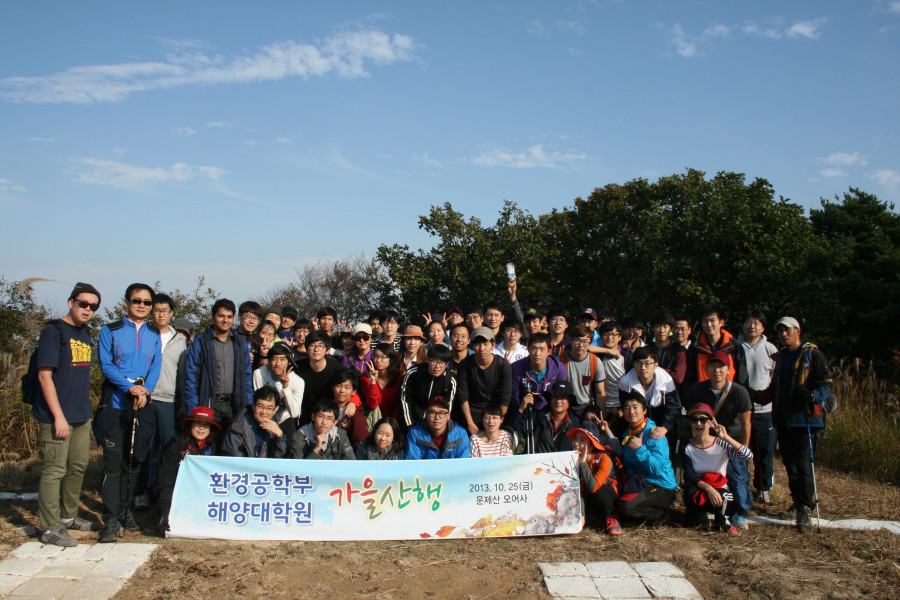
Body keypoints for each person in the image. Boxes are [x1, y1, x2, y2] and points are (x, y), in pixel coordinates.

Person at [32, 282, 101, 547]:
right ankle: (49, 528)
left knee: (77, 466)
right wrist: (58, 416)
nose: (88, 309)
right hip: (56, 417)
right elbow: (44, 375)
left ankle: (68, 516)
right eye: (83, 304)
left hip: (80, 414)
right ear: (71, 302)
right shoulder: (54, 331)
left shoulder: (84, 332)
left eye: (93, 306)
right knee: (54, 470)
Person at [96, 283, 162, 543]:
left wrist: (146, 390)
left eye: (147, 302)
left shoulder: (153, 333)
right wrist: (129, 387)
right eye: (137, 301)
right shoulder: (110, 330)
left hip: (142, 403)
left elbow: (155, 365)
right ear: (126, 302)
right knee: (113, 463)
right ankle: (111, 516)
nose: (142, 306)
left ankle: (126, 509)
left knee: (135, 461)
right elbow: (106, 365)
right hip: (116, 404)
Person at [764, 316, 833, 533]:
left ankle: (805, 509)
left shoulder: (812, 355)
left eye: (787, 330)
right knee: (790, 465)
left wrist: (813, 396)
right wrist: (753, 396)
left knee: (803, 466)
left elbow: (826, 384)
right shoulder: (782, 358)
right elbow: (774, 389)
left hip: (806, 420)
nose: (783, 334)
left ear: (797, 331)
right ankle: (797, 503)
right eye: (780, 331)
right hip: (784, 420)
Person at [685, 351, 753, 527]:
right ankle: (702, 511)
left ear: (729, 369)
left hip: (730, 442)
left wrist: (743, 447)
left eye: (721, 367)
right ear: (706, 369)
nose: (717, 371)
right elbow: (692, 417)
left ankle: (739, 513)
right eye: (712, 366)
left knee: (737, 480)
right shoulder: (697, 390)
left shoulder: (739, 391)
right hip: (705, 441)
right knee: (703, 478)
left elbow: (746, 423)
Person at [599, 391, 678, 528]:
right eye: (627, 408)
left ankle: (661, 514)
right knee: (617, 506)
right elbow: (628, 463)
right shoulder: (628, 434)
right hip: (641, 482)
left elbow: (657, 468)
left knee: (627, 507)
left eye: (635, 407)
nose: (631, 412)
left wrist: (640, 449)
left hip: (660, 485)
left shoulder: (654, 433)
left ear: (644, 410)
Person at [681, 403, 753, 534]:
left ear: (711, 422)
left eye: (703, 420)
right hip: (699, 487)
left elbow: (747, 455)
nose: (698, 424)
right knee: (687, 492)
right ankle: (697, 517)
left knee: (722, 497)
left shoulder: (720, 443)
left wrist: (726, 437)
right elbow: (689, 473)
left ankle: (722, 521)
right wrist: (708, 488)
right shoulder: (686, 446)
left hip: (720, 488)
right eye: (694, 420)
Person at [184, 299, 254, 434]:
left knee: (233, 443)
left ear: (233, 318)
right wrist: (193, 408)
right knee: (209, 443)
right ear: (213, 317)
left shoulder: (240, 343)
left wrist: (248, 405)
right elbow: (191, 378)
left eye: (229, 317)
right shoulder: (201, 343)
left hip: (234, 404)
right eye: (221, 316)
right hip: (209, 402)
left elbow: (247, 376)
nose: (225, 320)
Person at [733, 310, 778, 505]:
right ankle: (739, 484)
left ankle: (763, 487)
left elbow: (775, 377)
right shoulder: (734, 346)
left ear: (763, 327)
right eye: (748, 322)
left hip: (763, 409)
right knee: (738, 448)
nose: (752, 326)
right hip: (738, 409)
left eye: (756, 323)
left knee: (764, 451)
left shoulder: (770, 349)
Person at [155, 406, 219, 532]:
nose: (201, 428)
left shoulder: (211, 447)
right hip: (176, 492)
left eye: (206, 425)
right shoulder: (174, 446)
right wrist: (164, 512)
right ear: (190, 425)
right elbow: (165, 481)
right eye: (198, 424)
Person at [568, 423, 622, 536]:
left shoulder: (604, 458)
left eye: (582, 440)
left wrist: (583, 464)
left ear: (592, 445)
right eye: (575, 439)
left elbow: (594, 487)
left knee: (601, 488)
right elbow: (579, 490)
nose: (576, 443)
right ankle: (589, 516)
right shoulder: (571, 459)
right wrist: (581, 515)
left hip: (611, 499)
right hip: (590, 499)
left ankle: (612, 517)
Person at [456, 327, 512, 434]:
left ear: (493, 345)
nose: (482, 348)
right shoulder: (464, 365)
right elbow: (463, 396)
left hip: (495, 412)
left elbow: (505, 398)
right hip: (471, 412)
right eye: (477, 344)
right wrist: (470, 423)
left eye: (486, 344)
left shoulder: (503, 365)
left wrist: (498, 422)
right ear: (472, 345)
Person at [508, 332, 567, 423]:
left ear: (549, 351)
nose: (537, 353)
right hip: (524, 411)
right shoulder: (516, 368)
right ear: (528, 349)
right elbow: (514, 401)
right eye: (534, 348)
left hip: (549, 412)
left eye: (542, 349)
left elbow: (561, 396)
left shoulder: (559, 369)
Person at [252, 341, 304, 439]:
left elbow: (294, 413)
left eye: (282, 359)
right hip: (265, 417)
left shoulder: (297, 381)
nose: (278, 363)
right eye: (274, 359)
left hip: (285, 418)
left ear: (289, 362)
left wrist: (286, 387)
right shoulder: (259, 374)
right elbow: (260, 402)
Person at [221, 385, 289, 458]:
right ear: (253, 405)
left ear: (275, 409)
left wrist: (280, 436)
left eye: (269, 408)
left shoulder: (275, 428)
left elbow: (281, 460)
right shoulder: (238, 427)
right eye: (260, 406)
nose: (264, 412)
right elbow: (233, 458)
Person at [399, 344, 457, 429]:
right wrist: (410, 426)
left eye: (441, 362)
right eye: (434, 361)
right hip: (412, 422)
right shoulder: (413, 373)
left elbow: (447, 408)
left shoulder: (450, 380)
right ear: (428, 360)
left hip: (436, 425)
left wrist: (437, 429)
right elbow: (405, 400)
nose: (437, 366)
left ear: (446, 364)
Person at [515, 381, 581, 453]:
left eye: (563, 397)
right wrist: (520, 409)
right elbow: (515, 431)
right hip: (538, 460)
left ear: (570, 401)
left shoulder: (577, 425)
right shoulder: (536, 418)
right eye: (555, 396)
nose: (558, 401)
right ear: (550, 399)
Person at [294, 331, 345, 423]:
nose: (316, 349)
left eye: (320, 346)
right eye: (312, 345)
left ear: (327, 350)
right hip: (305, 416)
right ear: (306, 349)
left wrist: (353, 403)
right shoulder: (297, 368)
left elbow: (351, 386)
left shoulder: (337, 369)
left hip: (328, 417)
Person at [560, 325, 606, 419]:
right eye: (577, 340)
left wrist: (601, 416)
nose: (581, 345)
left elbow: (600, 392)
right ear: (571, 340)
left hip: (587, 407)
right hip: (566, 407)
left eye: (585, 341)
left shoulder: (595, 362)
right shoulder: (560, 360)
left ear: (590, 343)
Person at [406, 397, 470, 459]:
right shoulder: (415, 434)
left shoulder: (460, 434)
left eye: (442, 413)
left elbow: (464, 463)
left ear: (448, 416)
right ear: (426, 415)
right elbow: (413, 462)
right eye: (432, 412)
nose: (437, 417)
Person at [291, 399, 356, 460]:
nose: (324, 422)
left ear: (335, 422)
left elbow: (351, 461)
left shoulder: (340, 435)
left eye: (329, 418)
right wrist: (316, 449)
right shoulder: (299, 436)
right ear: (313, 417)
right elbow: (298, 466)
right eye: (321, 416)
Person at [692, 304, 738, 383]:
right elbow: (691, 375)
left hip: (729, 389)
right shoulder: (696, 348)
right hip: (703, 389)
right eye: (705, 321)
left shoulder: (733, 346)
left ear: (721, 322)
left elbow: (740, 374)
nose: (709, 325)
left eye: (712, 320)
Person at [358, 342, 404, 422]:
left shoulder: (399, 378)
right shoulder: (366, 377)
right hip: (373, 421)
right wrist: (373, 382)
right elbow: (373, 404)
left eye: (383, 357)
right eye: (376, 356)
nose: (378, 360)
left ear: (391, 358)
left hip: (394, 422)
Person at [597, 320, 626, 431]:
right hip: (604, 405)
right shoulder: (598, 355)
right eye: (606, 334)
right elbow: (587, 347)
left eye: (614, 334)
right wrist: (608, 351)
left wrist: (622, 409)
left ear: (620, 337)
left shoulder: (626, 356)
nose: (610, 338)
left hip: (622, 406)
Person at [330, 370, 368, 448]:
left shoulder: (356, 416)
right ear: (333, 388)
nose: (342, 390)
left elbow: (360, 443)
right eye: (338, 386)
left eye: (347, 387)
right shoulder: (323, 408)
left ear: (354, 392)